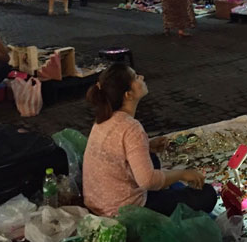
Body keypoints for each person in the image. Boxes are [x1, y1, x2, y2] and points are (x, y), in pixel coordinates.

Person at [82, 63, 217, 217]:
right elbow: (147, 181)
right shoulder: (131, 128)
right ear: (128, 94)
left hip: (98, 202)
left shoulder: (104, 118)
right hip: (123, 211)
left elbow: (115, 152)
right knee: (207, 195)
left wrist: (147, 146)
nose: (142, 77)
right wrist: (183, 174)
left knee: (152, 158)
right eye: (135, 77)